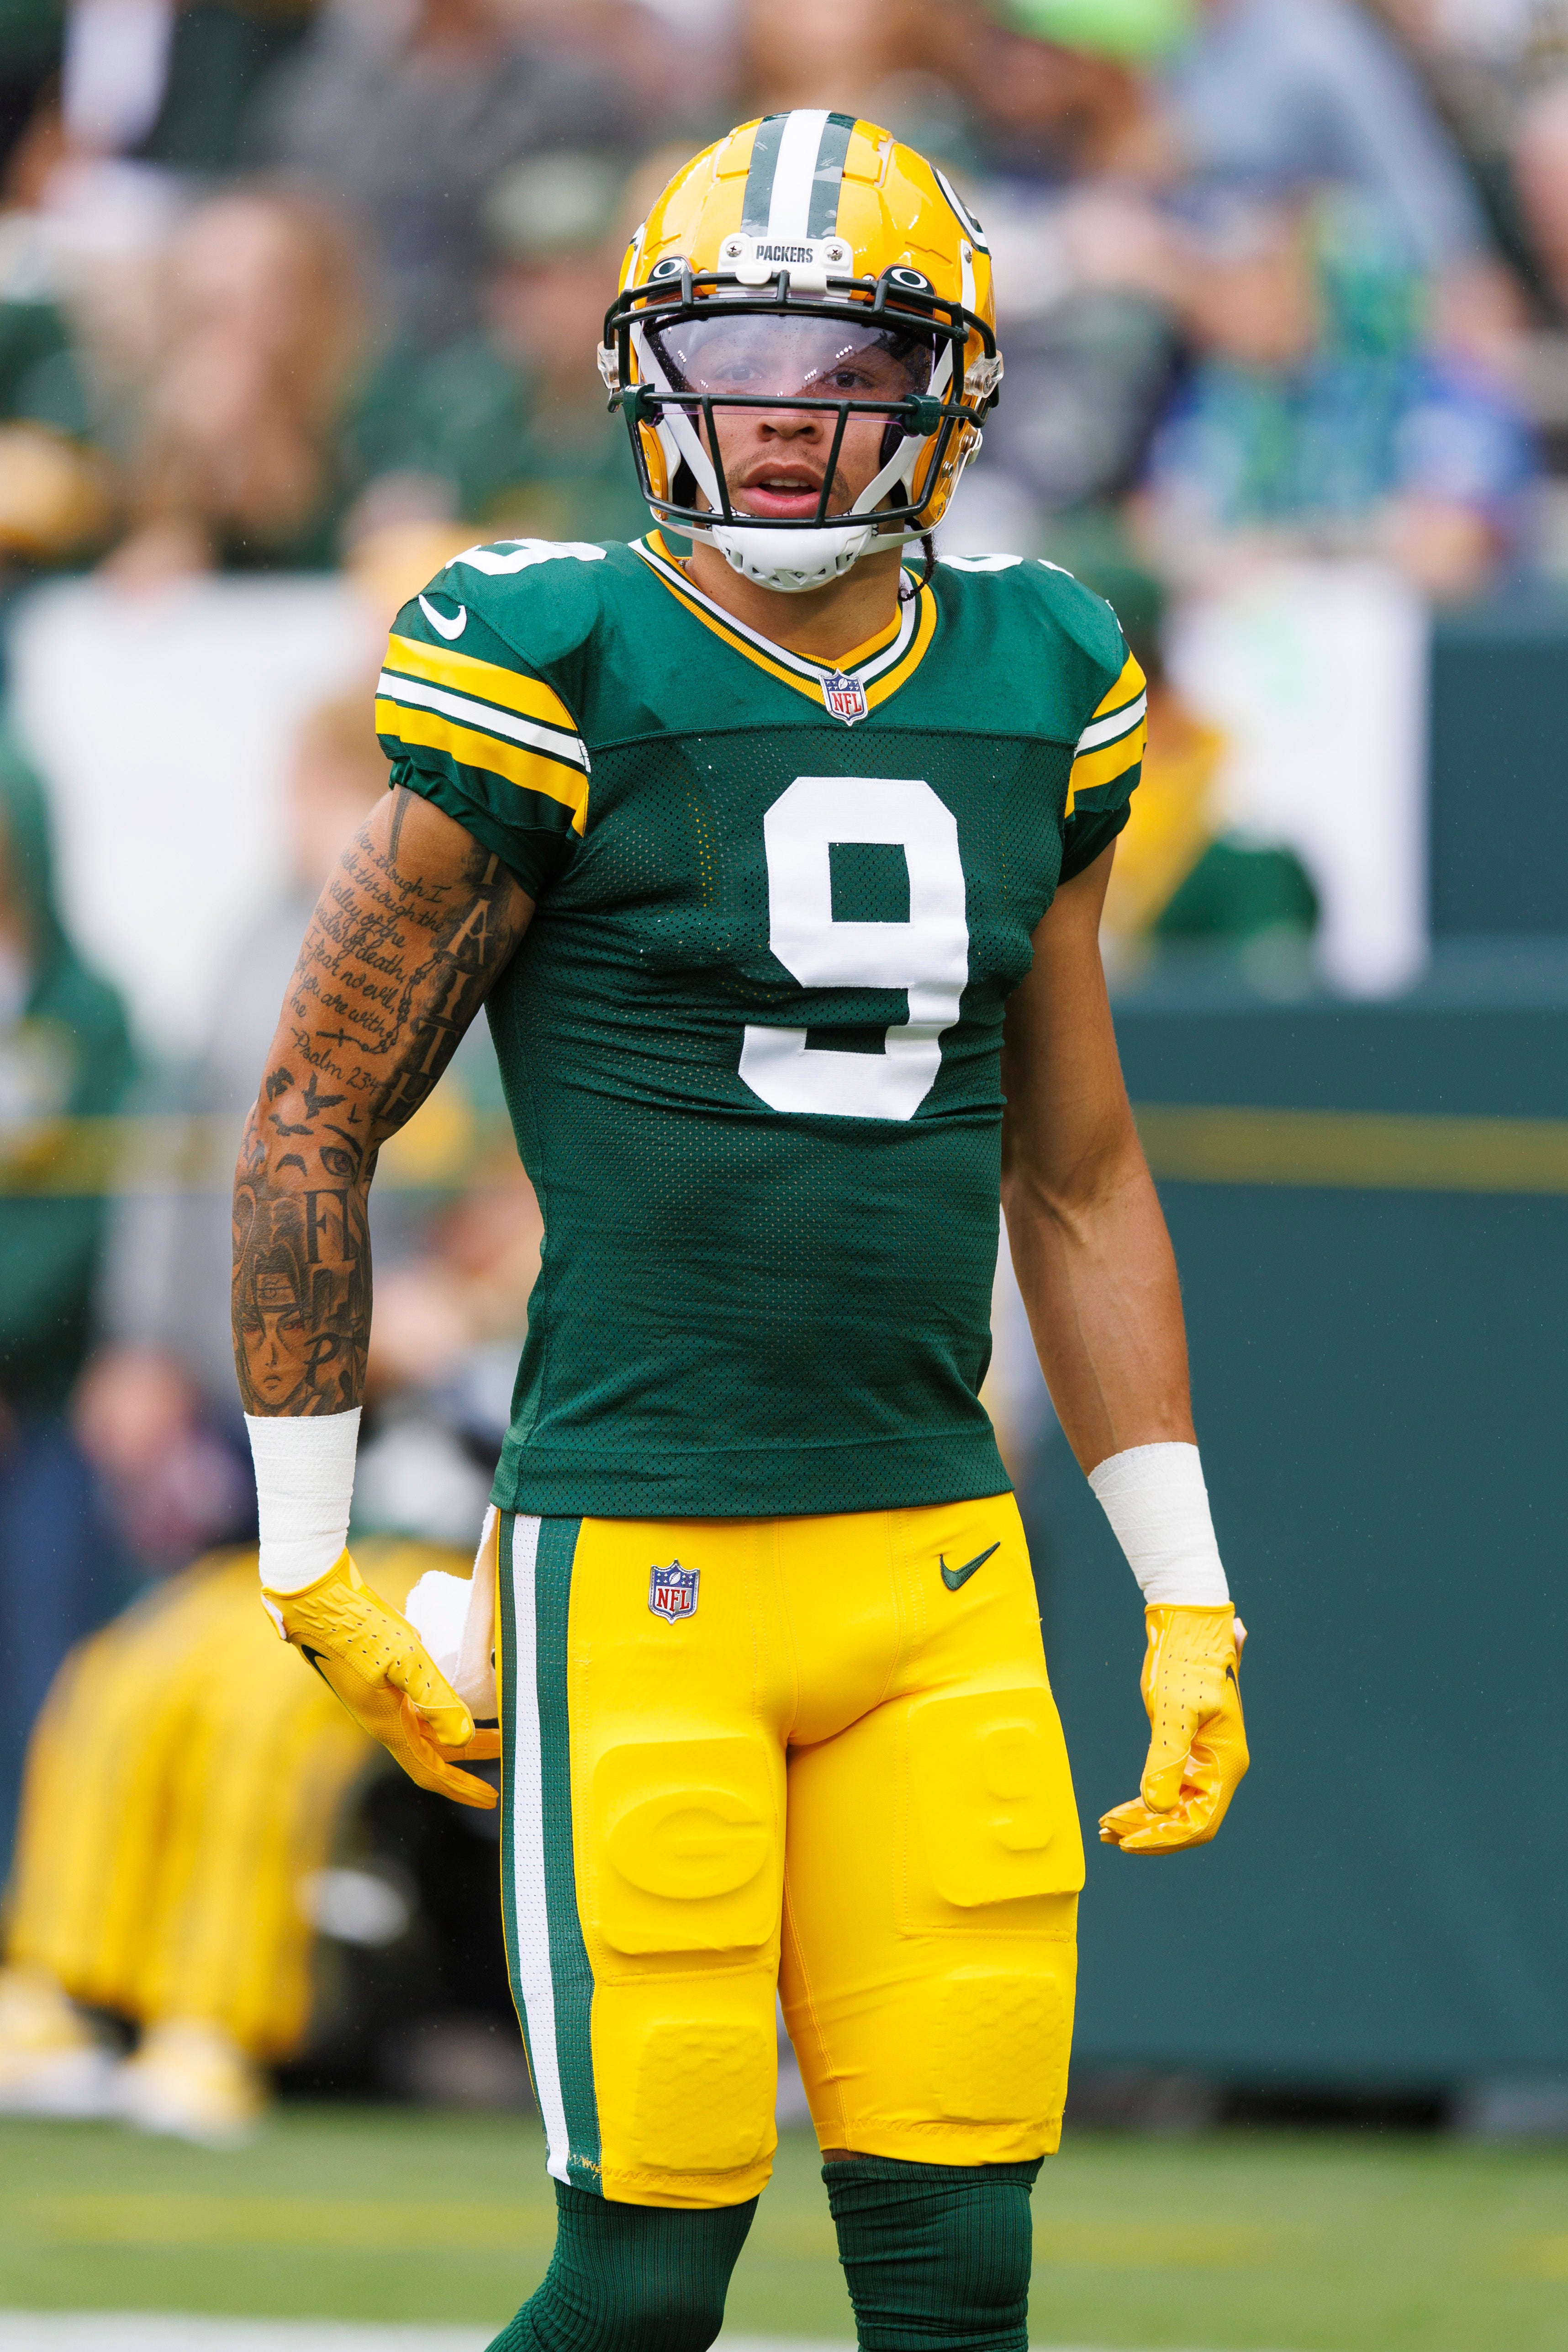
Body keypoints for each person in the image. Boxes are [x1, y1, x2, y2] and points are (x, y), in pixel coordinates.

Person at [234, 113, 1249, 2352]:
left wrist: (1184, 1586)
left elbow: (1073, 1166)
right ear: (643, 367)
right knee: (642, 2272)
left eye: (845, 351)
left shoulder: (1045, 671)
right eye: (733, 347)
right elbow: (316, 1104)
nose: (784, 404)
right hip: (642, 1562)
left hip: (939, 1570)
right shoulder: (554, 650)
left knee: (962, 2267)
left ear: (952, 387)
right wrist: (307, 1548)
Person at [0, 720, 133, 1868]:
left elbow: (94, 1214)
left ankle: (35, 1907)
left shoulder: (87, 1012)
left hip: (45, 1402)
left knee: (44, 1657)